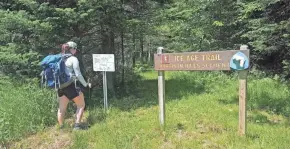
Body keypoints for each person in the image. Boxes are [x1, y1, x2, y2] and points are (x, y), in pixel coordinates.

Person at [57, 41, 91, 130]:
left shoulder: (58, 58)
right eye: (75, 49)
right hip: (71, 86)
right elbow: (78, 74)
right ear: (71, 49)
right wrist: (85, 84)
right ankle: (77, 126)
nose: (75, 51)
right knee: (81, 105)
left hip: (61, 87)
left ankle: (61, 127)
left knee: (62, 108)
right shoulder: (73, 59)